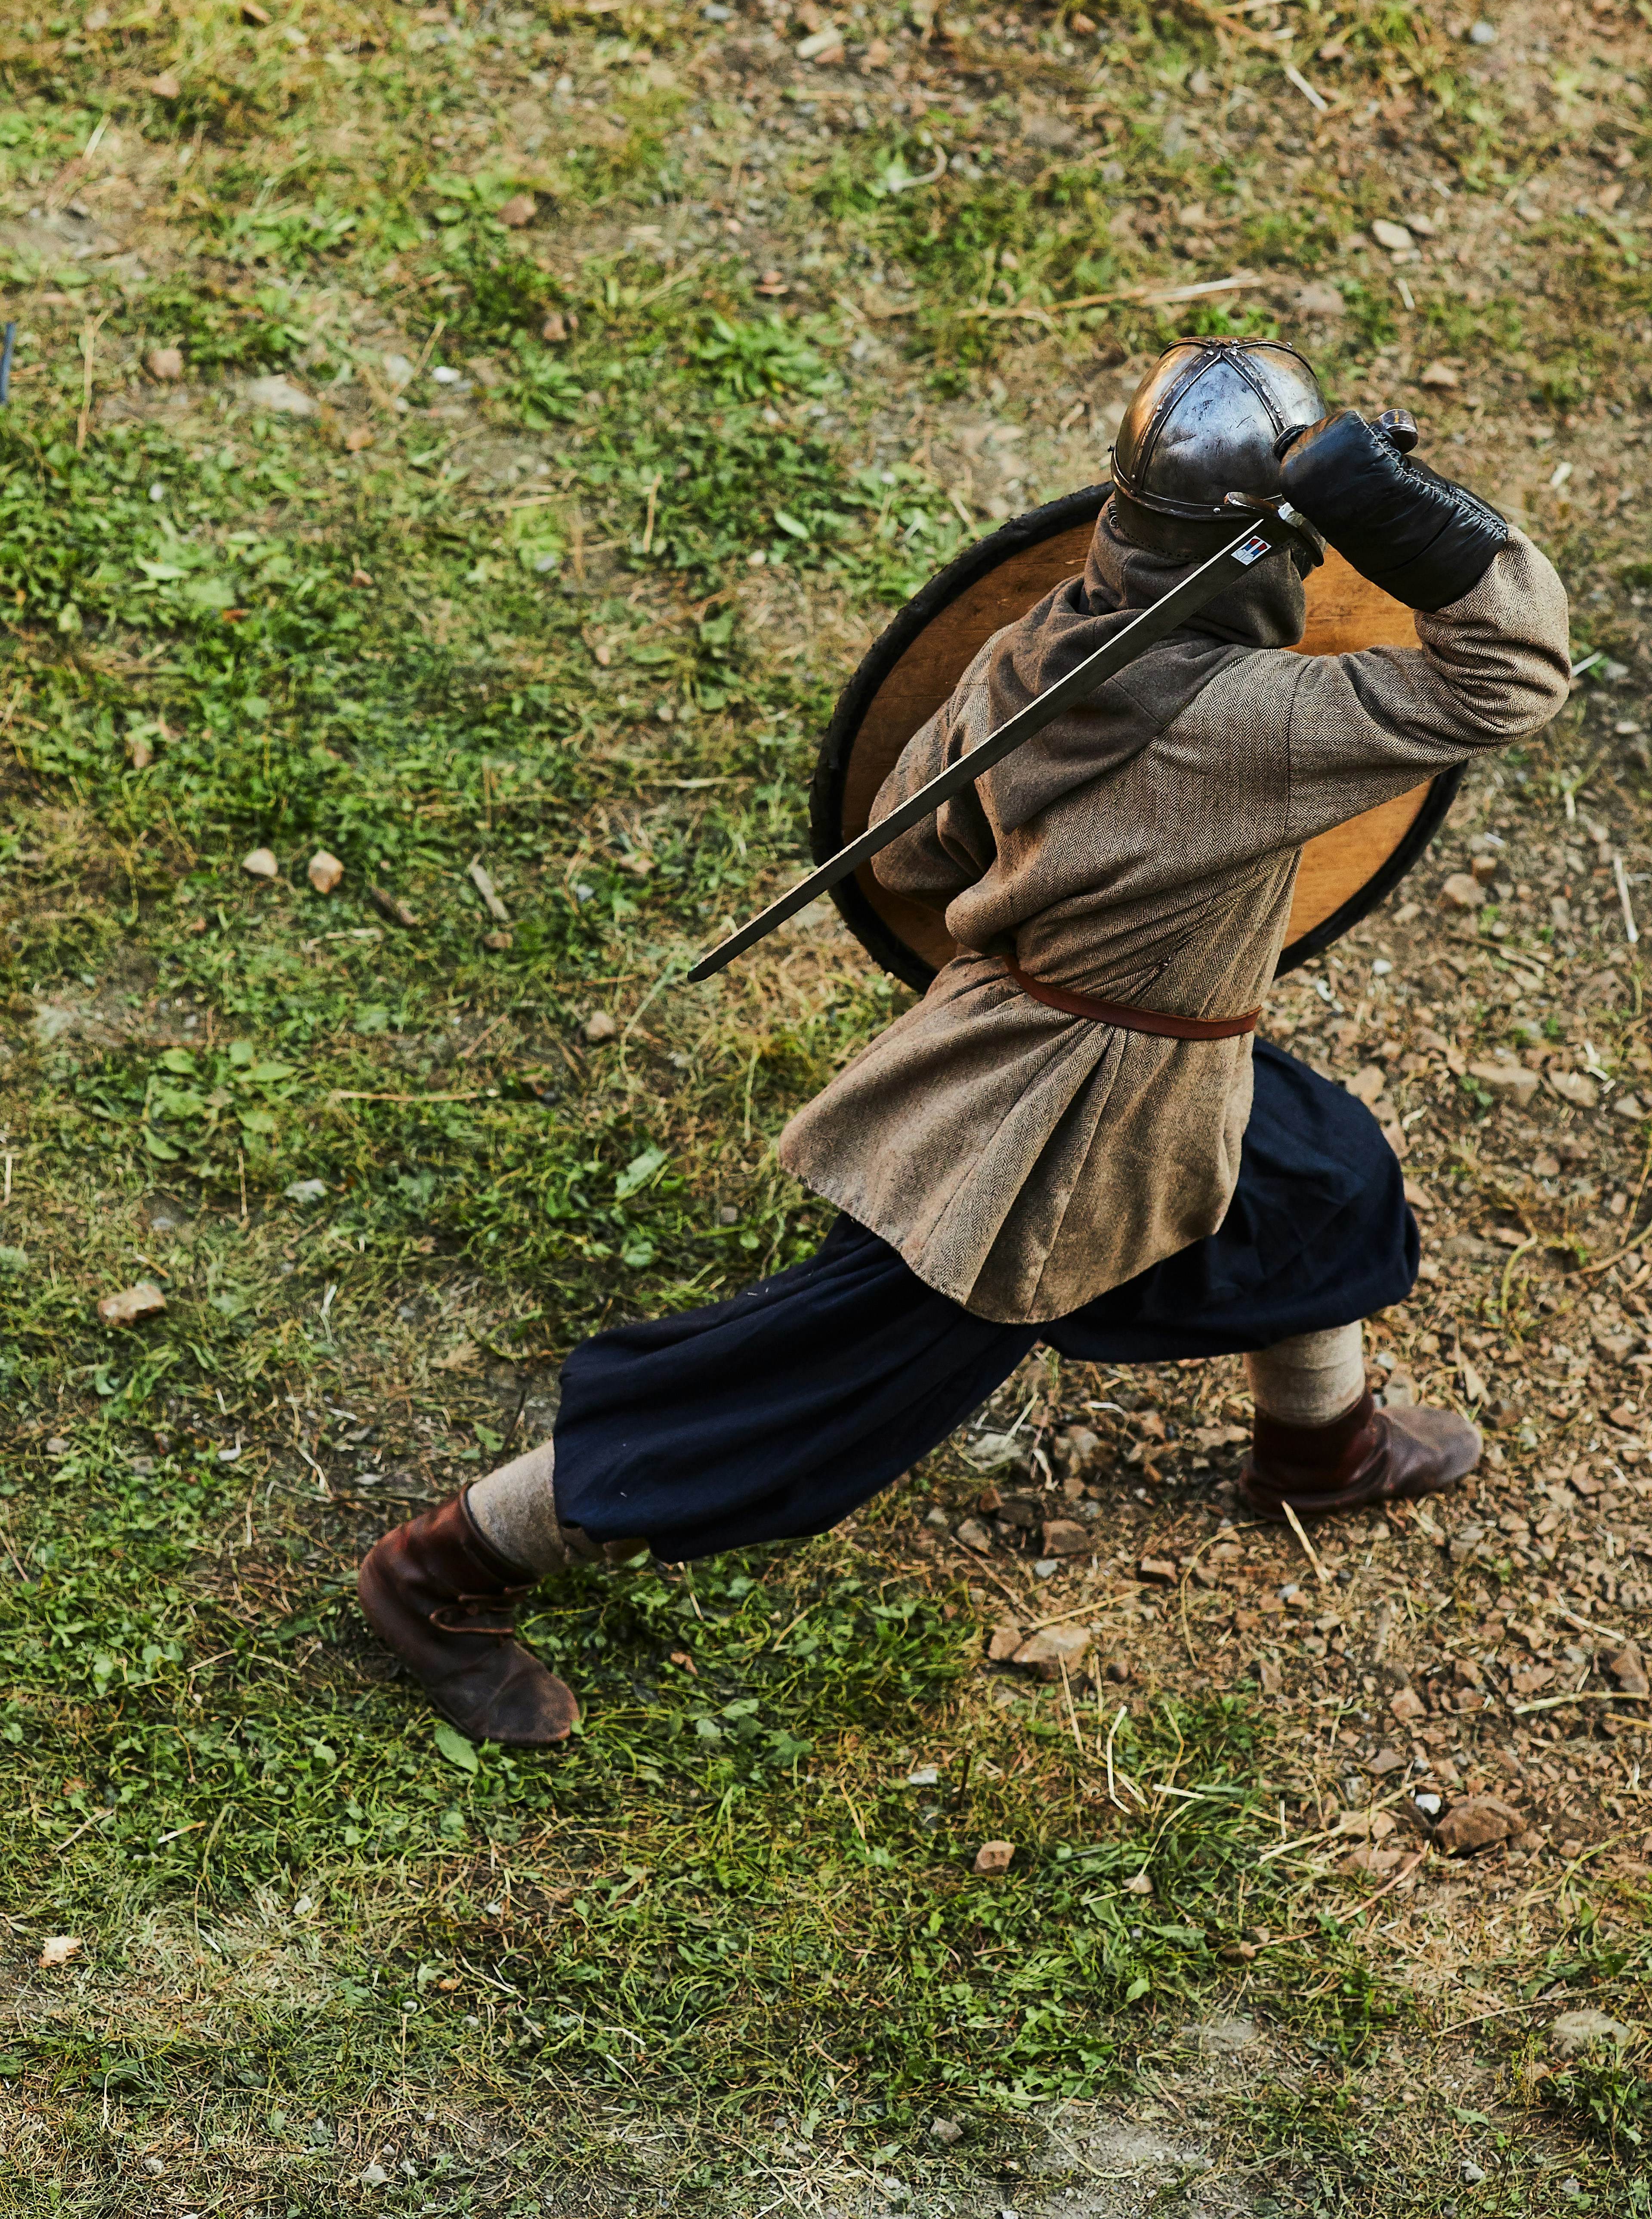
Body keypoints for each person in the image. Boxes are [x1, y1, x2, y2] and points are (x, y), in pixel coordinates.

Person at [358, 341, 1570, 1744]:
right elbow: (1513, 673)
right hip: (1048, 1127)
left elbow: (921, 853)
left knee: (1313, 1171)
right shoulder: (1246, 725)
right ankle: (443, 1571)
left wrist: (1066, 908)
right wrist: (1416, 517)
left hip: (1111, 1044)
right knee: (808, 1390)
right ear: (1283, 538)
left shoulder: (1038, 646)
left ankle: (1324, 1444)